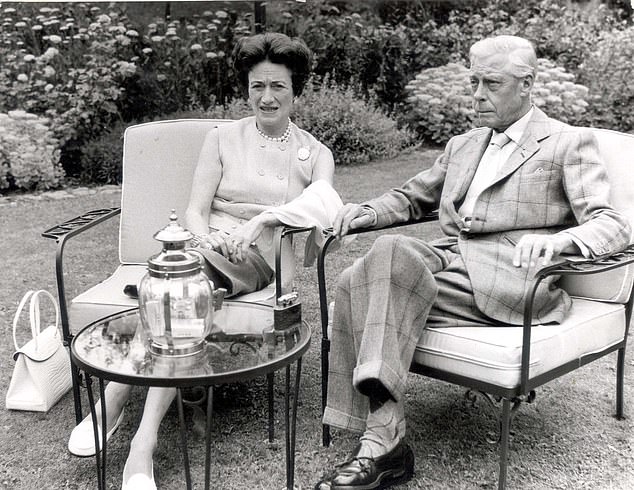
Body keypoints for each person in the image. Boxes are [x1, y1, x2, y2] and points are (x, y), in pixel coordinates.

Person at [315, 35, 631, 490]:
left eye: (491, 83)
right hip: (453, 260)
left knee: (363, 275)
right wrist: (366, 211)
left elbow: (611, 223)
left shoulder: (566, 143)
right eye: (473, 82)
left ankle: (381, 440)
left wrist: (563, 242)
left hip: (514, 277)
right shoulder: (464, 144)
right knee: (380, 258)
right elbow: (411, 197)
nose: (478, 94)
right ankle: (386, 437)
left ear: (527, 85)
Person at [67, 32, 335, 490]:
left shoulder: (314, 152)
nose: (266, 98)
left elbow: (325, 205)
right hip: (204, 247)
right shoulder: (221, 138)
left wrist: (260, 222)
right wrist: (210, 235)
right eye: (257, 87)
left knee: (172, 292)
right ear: (245, 89)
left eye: (278, 87)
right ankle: (141, 441)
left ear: (296, 90)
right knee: (184, 304)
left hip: (263, 256)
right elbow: (195, 207)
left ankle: (117, 405)